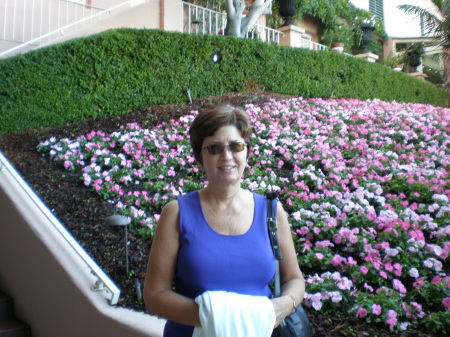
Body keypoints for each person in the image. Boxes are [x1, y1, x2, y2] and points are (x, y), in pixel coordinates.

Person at [143, 104, 305, 337]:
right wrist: (227, 320)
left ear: (247, 152)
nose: (226, 156)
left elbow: (294, 279)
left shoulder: (271, 211)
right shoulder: (177, 213)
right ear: (200, 158)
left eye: (235, 146)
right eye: (214, 148)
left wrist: (283, 306)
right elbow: (155, 295)